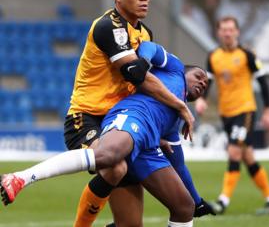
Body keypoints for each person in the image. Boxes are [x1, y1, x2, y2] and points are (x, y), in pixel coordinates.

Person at [0, 42, 209, 227]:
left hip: (147, 145)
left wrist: (198, 200)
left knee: (183, 206)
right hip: (132, 117)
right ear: (186, 71)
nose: (201, 83)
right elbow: (149, 47)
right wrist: (142, 62)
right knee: (109, 156)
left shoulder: (180, 119)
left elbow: (178, 164)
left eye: (205, 85)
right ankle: (20, 178)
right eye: (198, 76)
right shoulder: (175, 68)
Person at [64, 0, 195, 227]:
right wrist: (180, 105)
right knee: (115, 167)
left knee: (134, 224)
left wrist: (152, 132)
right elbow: (139, 77)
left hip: (124, 123)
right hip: (87, 118)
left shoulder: (145, 34)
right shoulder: (107, 26)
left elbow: (142, 92)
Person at [195, 16, 269, 215]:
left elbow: (264, 81)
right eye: (224, 29)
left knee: (234, 151)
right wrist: (202, 99)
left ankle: (223, 201)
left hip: (245, 110)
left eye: (231, 29)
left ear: (237, 32)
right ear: (218, 32)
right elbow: (209, 81)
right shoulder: (213, 56)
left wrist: (267, 110)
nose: (227, 33)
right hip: (226, 113)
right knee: (247, 157)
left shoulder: (247, 55)